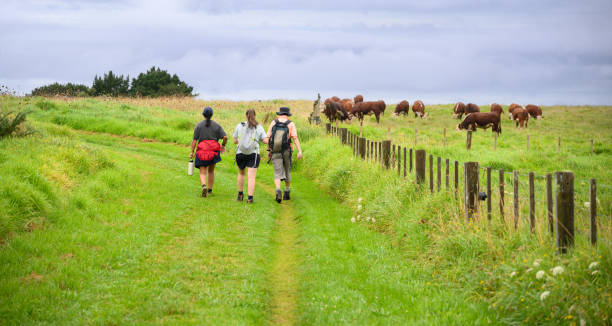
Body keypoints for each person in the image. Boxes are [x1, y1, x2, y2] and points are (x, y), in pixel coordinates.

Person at [265, 107, 303, 203]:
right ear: (287, 115)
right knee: (287, 170)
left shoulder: (274, 122)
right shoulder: (290, 124)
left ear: (280, 114)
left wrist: (269, 150)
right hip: (287, 150)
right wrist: (299, 151)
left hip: (275, 150)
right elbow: (295, 138)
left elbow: (268, 137)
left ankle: (278, 190)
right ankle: (286, 191)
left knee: (277, 171)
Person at [190, 107, 227, 197]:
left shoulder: (198, 126)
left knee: (203, 172)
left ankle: (204, 186)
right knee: (211, 171)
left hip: (202, 151)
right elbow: (225, 137)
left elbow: (194, 141)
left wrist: (192, 152)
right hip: (213, 151)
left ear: (203, 115)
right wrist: (223, 146)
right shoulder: (217, 125)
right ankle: (210, 190)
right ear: (212, 115)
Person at [233, 109, 267, 203]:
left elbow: (235, 141)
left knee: (241, 173)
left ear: (246, 116)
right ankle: (250, 198)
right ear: (255, 116)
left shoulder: (240, 125)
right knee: (251, 177)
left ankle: (240, 195)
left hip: (240, 152)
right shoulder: (259, 127)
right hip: (254, 153)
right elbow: (265, 140)